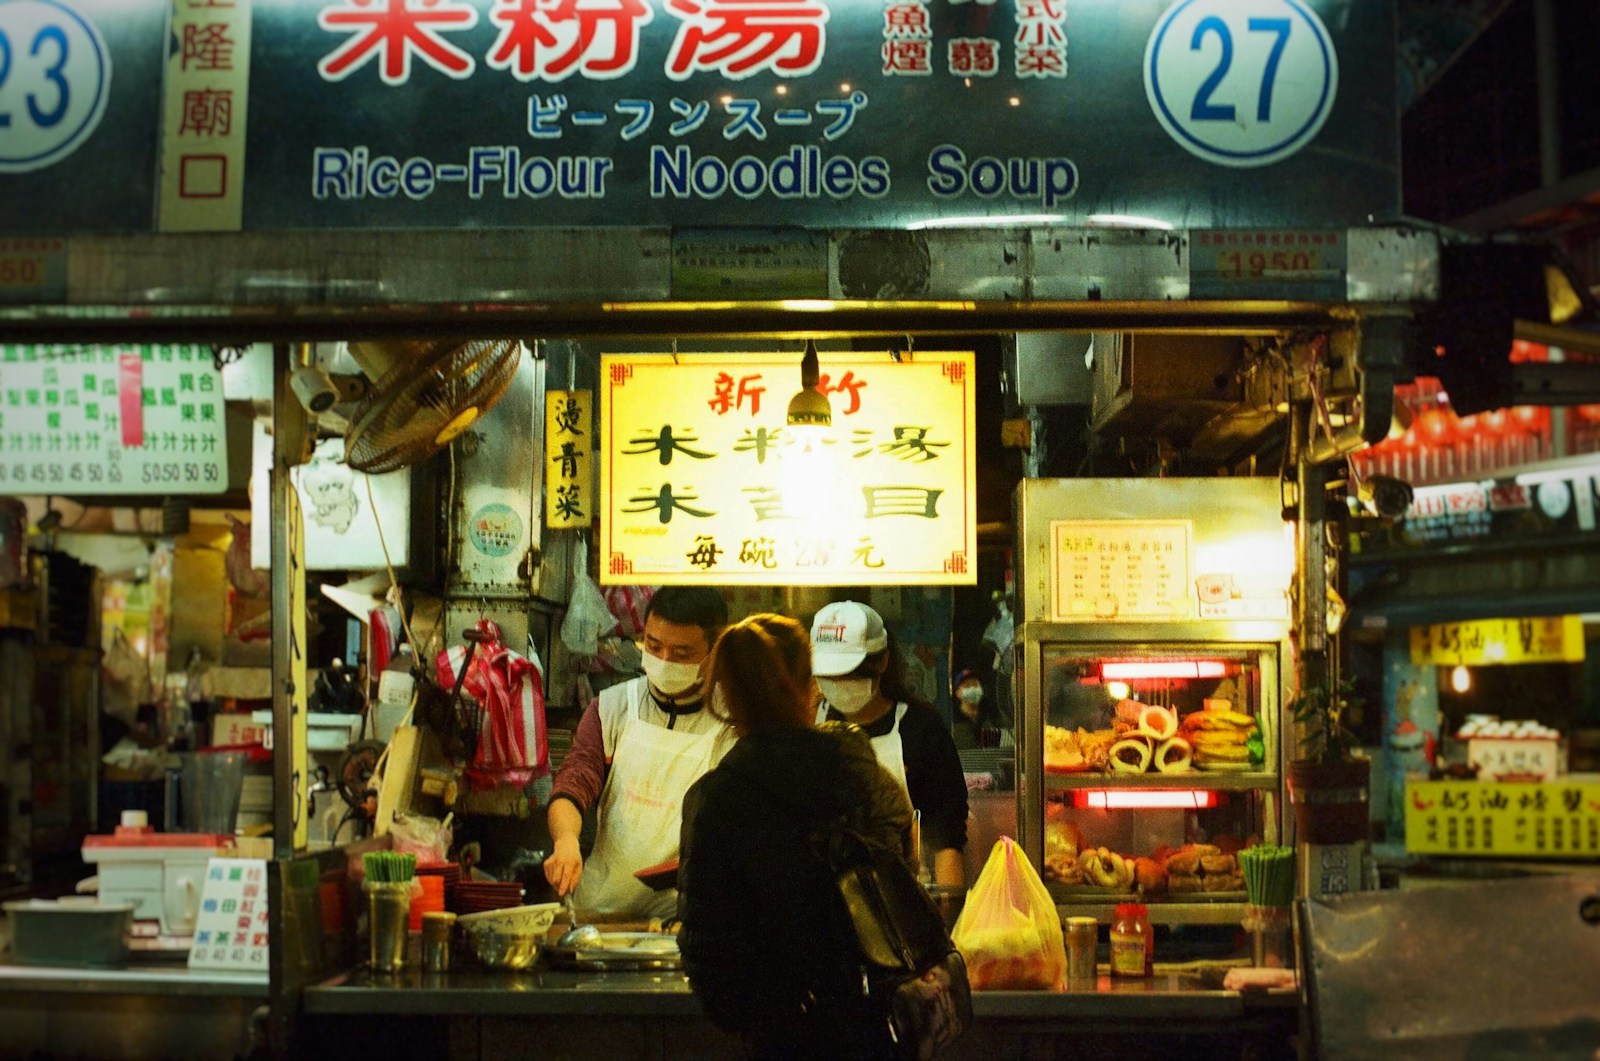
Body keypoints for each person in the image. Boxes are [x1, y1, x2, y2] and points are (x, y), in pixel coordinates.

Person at [678, 614, 915, 1060]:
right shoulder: (857, 772)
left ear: (727, 693)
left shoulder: (714, 799)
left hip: (777, 1041)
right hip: (875, 1032)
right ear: (809, 684)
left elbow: (709, 964)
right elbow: (901, 888)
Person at [543, 585, 735, 919]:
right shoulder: (612, 707)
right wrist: (565, 841)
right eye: (654, 646)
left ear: (714, 652)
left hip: (688, 915)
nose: (664, 661)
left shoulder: (732, 723)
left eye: (682, 653)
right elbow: (575, 782)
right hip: (604, 906)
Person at [810, 601, 969, 888]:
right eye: (828, 675)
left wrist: (949, 917)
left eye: (848, 671)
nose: (838, 682)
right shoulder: (807, 725)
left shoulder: (921, 729)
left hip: (904, 898)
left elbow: (947, 841)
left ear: (881, 661)